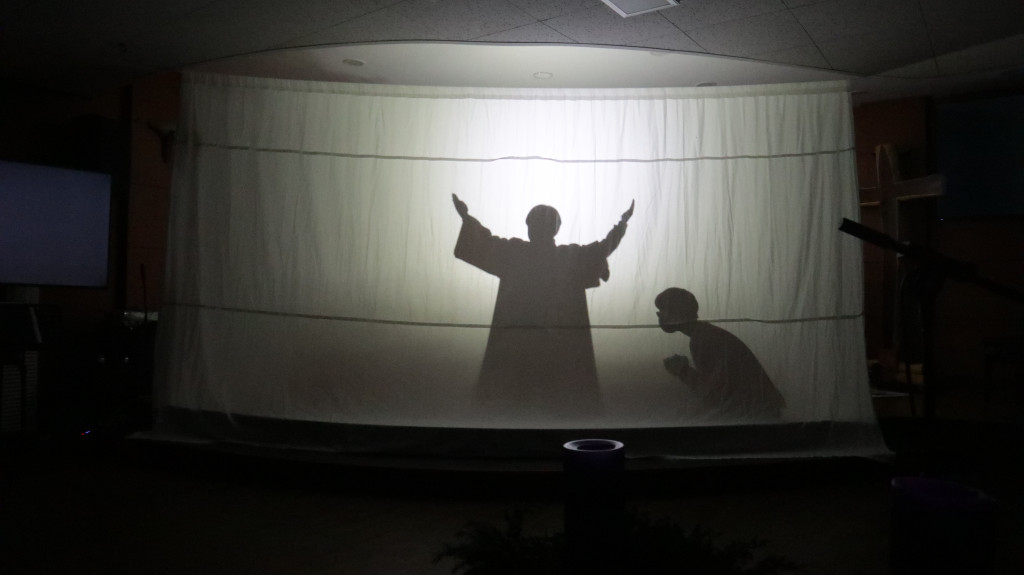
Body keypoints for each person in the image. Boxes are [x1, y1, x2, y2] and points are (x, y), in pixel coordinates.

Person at [452, 194, 634, 419]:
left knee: (517, 400)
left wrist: (466, 217)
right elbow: (602, 249)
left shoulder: (516, 253)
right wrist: (622, 224)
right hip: (556, 346)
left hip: (519, 345)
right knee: (554, 399)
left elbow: (484, 243)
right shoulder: (567, 257)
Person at [655, 287, 785, 420]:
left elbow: (714, 394)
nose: (658, 315)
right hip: (761, 412)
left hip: (758, 417)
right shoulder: (705, 334)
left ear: (675, 312)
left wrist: (683, 371)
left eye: (662, 310)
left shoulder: (702, 339)